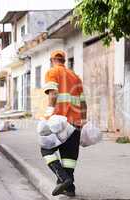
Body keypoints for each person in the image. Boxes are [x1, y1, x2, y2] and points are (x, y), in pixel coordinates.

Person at [41, 50, 87, 197]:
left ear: (52, 60)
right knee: (69, 157)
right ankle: (70, 188)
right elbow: (83, 103)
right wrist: (83, 120)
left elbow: (53, 94)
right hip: (76, 123)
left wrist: (48, 114)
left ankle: (63, 178)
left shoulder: (52, 72)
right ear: (64, 61)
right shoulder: (75, 76)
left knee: (46, 149)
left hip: (59, 122)